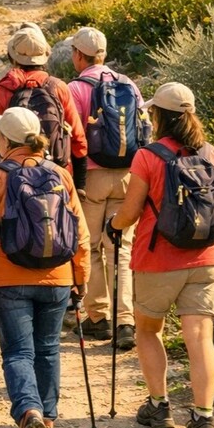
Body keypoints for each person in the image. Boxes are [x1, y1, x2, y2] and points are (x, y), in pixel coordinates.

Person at [108, 82, 214, 428]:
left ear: (159, 115)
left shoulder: (148, 157)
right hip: (208, 259)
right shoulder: (212, 154)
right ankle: (204, 418)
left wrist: (112, 223)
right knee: (200, 337)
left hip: (158, 260)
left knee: (148, 330)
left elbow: (130, 214)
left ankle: (159, 406)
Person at [0, 107, 90, 428]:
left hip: (8, 279)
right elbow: (80, 233)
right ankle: (47, 421)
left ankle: (28, 412)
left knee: (19, 353)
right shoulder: (60, 174)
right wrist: (80, 279)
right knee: (48, 348)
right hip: (58, 277)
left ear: (4, 140)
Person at [67, 26, 149, 351]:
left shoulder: (75, 88)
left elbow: (73, 137)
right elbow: (143, 128)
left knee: (91, 247)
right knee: (122, 249)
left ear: (77, 54)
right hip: (129, 175)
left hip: (92, 177)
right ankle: (126, 322)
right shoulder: (128, 83)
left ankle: (98, 318)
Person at [0, 24, 88, 192]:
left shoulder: (3, 89)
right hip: (56, 175)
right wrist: (80, 184)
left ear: (12, 57)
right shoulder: (58, 87)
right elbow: (77, 137)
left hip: (12, 176)